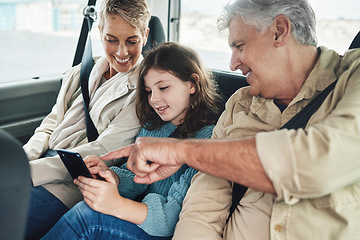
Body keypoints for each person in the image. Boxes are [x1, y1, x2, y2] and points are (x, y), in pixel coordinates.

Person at [100, 0, 360, 239]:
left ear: (279, 31)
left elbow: (322, 160)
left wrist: (182, 151)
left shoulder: (352, 78)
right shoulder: (240, 104)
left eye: (239, 46)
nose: (234, 63)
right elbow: (203, 207)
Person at [42, 42, 222, 239]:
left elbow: (173, 218)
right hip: (142, 216)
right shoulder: (155, 127)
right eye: (149, 91)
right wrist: (111, 176)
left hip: (165, 230)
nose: (154, 99)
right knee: (85, 208)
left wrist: (116, 205)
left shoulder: (207, 140)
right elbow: (136, 177)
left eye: (163, 88)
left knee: (87, 218)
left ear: (192, 84)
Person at [24, 0, 151, 238]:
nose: (122, 52)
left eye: (132, 41)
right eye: (111, 39)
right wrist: (22, 161)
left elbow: (102, 151)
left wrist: (28, 173)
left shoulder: (145, 92)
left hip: (72, 184)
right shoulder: (79, 74)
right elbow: (51, 124)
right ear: (100, 33)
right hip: (43, 163)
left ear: (145, 35)